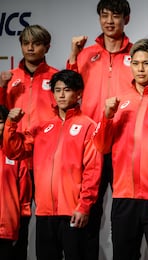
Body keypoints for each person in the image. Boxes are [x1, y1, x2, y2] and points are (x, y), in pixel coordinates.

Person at [93, 38, 148, 260]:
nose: (140, 69)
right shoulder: (118, 103)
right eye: (135, 63)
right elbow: (102, 146)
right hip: (124, 196)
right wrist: (106, 117)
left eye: (146, 63)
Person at [3, 69, 103, 260]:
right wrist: (10, 125)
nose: (62, 95)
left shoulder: (88, 126)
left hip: (73, 212)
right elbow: (15, 151)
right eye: (57, 90)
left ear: (79, 93)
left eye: (67, 90)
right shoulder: (42, 127)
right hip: (45, 212)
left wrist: (83, 206)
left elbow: (93, 171)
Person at [66, 0, 133, 258]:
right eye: (104, 15)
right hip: (90, 143)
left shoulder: (136, 55)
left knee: (124, 211)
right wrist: (73, 55)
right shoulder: (86, 55)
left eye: (115, 15)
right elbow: (69, 89)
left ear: (126, 19)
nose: (109, 21)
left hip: (124, 142)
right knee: (87, 210)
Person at [0, 24, 58, 260]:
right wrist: (2, 87)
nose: (30, 48)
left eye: (36, 43)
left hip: (46, 156)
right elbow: (1, 113)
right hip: (16, 155)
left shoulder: (56, 77)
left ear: (47, 47)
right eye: (26, 43)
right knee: (18, 216)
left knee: (48, 216)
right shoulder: (10, 77)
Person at [0, 105, 32, 259]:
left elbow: (24, 190)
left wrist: (21, 223)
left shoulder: (15, 154)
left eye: (0, 121)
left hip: (7, 228)